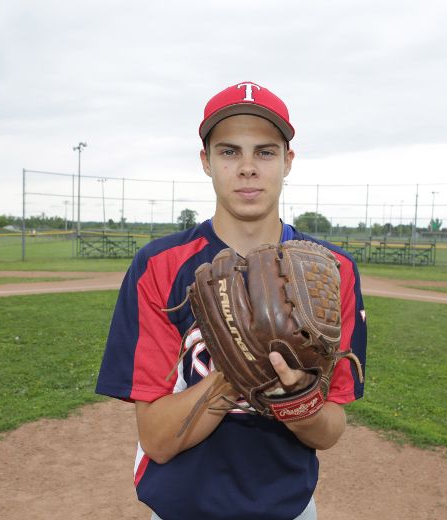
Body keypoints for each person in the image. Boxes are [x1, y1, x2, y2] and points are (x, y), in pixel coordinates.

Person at [96, 81, 367, 520]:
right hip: (181, 510)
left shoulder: (333, 271)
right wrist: (239, 369)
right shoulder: (159, 265)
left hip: (289, 509)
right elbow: (158, 442)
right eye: (228, 152)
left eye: (264, 151)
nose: (247, 168)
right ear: (206, 161)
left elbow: (329, 431)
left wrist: (296, 397)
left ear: (287, 161)